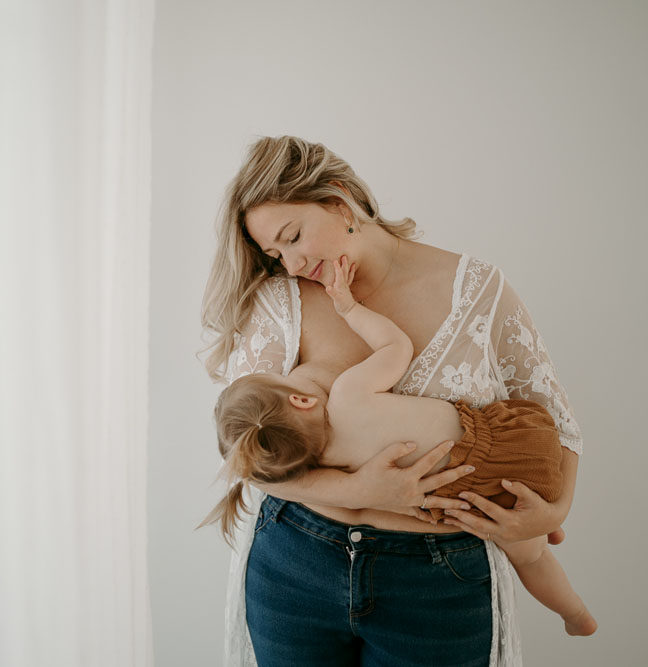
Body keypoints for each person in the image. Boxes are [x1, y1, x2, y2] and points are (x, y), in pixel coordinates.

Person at [201, 136, 584, 666]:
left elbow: (557, 421)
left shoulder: (475, 291)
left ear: (338, 199)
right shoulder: (278, 303)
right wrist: (361, 488)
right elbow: (246, 453)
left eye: (293, 236)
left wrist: (553, 511)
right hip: (296, 564)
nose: (290, 263)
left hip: (438, 580)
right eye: (274, 253)